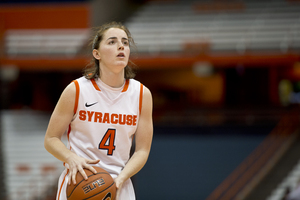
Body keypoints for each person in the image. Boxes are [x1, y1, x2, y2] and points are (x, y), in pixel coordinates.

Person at [44, 21, 153, 200]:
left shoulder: (142, 94)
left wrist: (122, 178)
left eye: (125, 42)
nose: (121, 46)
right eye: (112, 42)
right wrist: (71, 158)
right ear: (97, 53)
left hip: (120, 181)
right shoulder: (77, 89)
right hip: (80, 180)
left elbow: (142, 150)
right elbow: (50, 139)